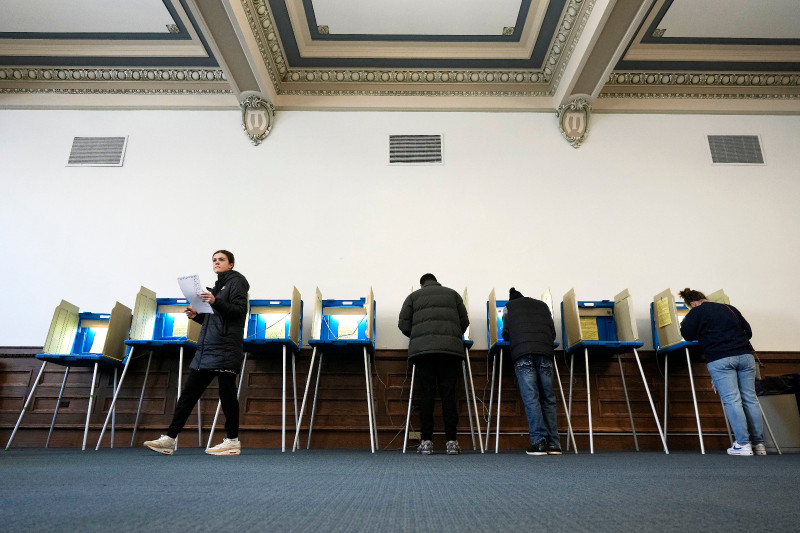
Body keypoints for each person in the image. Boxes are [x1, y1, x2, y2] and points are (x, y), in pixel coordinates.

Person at [145, 250, 250, 456]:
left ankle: (232, 441)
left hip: (226, 348)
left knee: (227, 395)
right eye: (214, 260)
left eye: (221, 259)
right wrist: (197, 316)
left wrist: (215, 301)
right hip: (208, 349)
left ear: (231, 264)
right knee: (188, 395)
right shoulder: (218, 286)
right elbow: (216, 319)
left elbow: (239, 312)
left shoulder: (237, 281)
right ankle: (169, 439)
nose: (216, 262)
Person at [678, 288, 764, 456]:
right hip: (746, 357)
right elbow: (748, 332)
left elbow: (686, 335)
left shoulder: (696, 312)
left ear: (692, 304)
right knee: (750, 399)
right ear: (705, 298)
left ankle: (743, 444)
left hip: (720, 358)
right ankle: (759, 445)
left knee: (732, 400)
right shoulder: (729, 308)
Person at [398, 273, 469, 455]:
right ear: (437, 282)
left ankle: (427, 442)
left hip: (424, 353)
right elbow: (464, 322)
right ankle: (451, 441)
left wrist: (419, 337)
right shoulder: (453, 294)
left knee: (427, 394)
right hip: (449, 352)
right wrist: (451, 336)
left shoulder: (413, 297)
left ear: (421, 284)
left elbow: (403, 324)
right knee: (449, 394)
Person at [502, 287, 560, 455]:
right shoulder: (543, 306)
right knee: (548, 398)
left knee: (531, 398)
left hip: (523, 354)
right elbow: (552, 334)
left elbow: (505, 333)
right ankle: (554, 444)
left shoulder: (509, 307)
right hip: (545, 354)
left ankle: (539, 442)